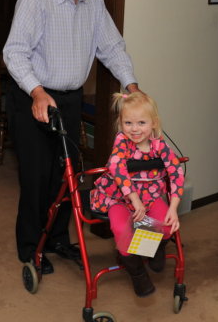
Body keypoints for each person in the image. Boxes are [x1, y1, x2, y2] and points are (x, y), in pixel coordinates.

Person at [3, 0, 140, 274]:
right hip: (34, 95)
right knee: (37, 177)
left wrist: (132, 86)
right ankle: (31, 247)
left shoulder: (94, 0)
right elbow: (15, 51)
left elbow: (112, 46)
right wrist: (36, 91)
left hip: (70, 98)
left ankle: (57, 239)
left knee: (68, 175)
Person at [90, 92, 184, 297]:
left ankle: (155, 248)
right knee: (121, 229)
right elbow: (116, 165)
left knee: (166, 225)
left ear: (153, 123)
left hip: (150, 197)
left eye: (141, 122)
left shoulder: (159, 146)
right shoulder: (122, 141)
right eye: (128, 122)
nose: (135, 128)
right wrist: (134, 199)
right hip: (119, 198)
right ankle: (138, 274)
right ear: (121, 123)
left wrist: (174, 208)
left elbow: (176, 172)